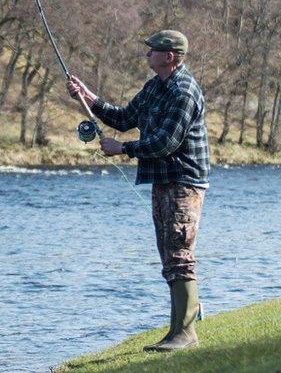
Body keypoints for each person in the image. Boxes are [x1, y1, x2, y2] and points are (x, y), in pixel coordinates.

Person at [66, 29, 209, 353]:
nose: (147, 55)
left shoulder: (184, 92)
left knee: (179, 253)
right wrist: (87, 97)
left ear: (169, 56)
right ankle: (181, 326)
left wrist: (122, 148)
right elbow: (124, 116)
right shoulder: (155, 87)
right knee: (169, 255)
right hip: (163, 180)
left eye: (152, 51)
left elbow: (166, 142)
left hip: (185, 181)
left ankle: (185, 333)